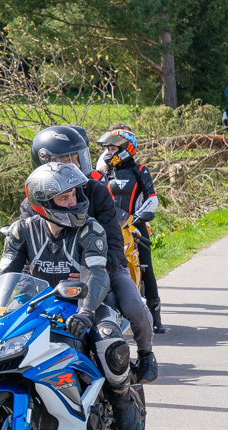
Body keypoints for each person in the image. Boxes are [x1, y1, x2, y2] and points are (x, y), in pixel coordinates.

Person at [3, 125, 158, 383]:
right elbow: (31, 242)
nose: (73, 165)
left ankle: (145, 354)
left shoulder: (96, 190)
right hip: (51, 274)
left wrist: (95, 271)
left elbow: (113, 239)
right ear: (46, 162)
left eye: (77, 157)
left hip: (101, 264)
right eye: (66, 160)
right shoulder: (32, 199)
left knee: (134, 305)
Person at [2, 162, 142, 430]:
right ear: (43, 203)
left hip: (90, 301)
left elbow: (97, 273)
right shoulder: (21, 231)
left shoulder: (90, 228)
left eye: (75, 194)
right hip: (41, 304)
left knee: (108, 339)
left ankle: (122, 398)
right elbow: (7, 277)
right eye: (64, 197)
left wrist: (87, 311)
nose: (74, 201)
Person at [96, 127, 166, 333]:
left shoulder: (140, 170)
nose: (108, 153)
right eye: (107, 149)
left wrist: (135, 218)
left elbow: (152, 199)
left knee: (146, 268)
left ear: (125, 148)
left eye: (112, 148)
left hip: (135, 225)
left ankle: (156, 316)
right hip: (110, 227)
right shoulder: (104, 172)